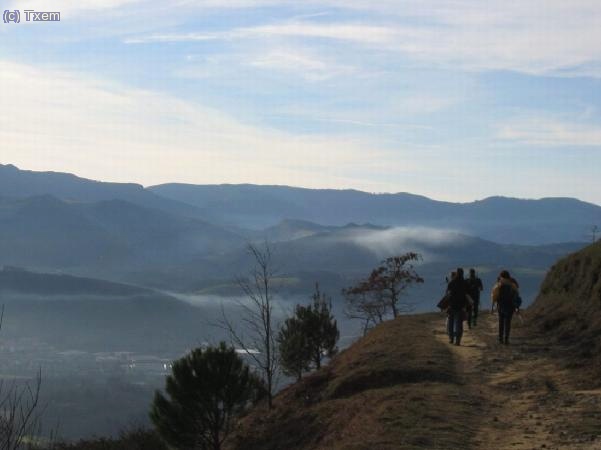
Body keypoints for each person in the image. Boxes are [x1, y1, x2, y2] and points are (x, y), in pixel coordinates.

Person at [445, 268, 472, 346]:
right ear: (462, 274)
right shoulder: (465, 283)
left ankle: (451, 338)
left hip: (452, 305)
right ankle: (458, 340)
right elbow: (468, 294)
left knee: (451, 322)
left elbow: (447, 293)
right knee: (459, 323)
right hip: (461, 306)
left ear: (457, 273)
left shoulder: (452, 282)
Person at [491, 270, 518, 345]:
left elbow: (494, 296)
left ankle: (500, 339)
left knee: (501, 322)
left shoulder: (499, 284)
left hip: (501, 305)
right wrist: (517, 306)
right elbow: (516, 295)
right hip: (510, 306)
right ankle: (506, 338)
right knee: (508, 322)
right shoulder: (512, 284)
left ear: (501, 276)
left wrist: (493, 307)